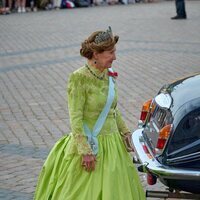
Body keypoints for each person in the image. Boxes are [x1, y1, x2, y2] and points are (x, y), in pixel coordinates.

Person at [34, 26, 145, 200]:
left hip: (113, 145)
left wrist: (125, 133)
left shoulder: (109, 75)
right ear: (96, 54)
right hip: (89, 144)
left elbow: (112, 109)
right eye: (110, 53)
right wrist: (85, 151)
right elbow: (75, 118)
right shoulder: (79, 78)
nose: (114, 57)